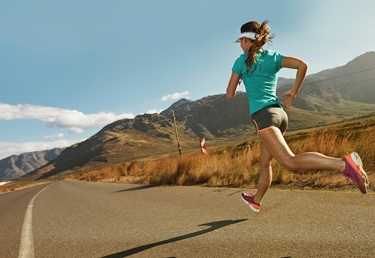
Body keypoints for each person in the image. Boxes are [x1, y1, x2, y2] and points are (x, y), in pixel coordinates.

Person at [226, 20, 369, 213]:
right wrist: (293, 92)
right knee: (264, 162)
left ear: (245, 40)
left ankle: (344, 164)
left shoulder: (240, 62)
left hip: (264, 117)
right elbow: (302, 65)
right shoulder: (273, 57)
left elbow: (229, 94)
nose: (240, 45)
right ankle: (256, 200)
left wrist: (242, 76)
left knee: (290, 162)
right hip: (280, 115)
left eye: (241, 41)